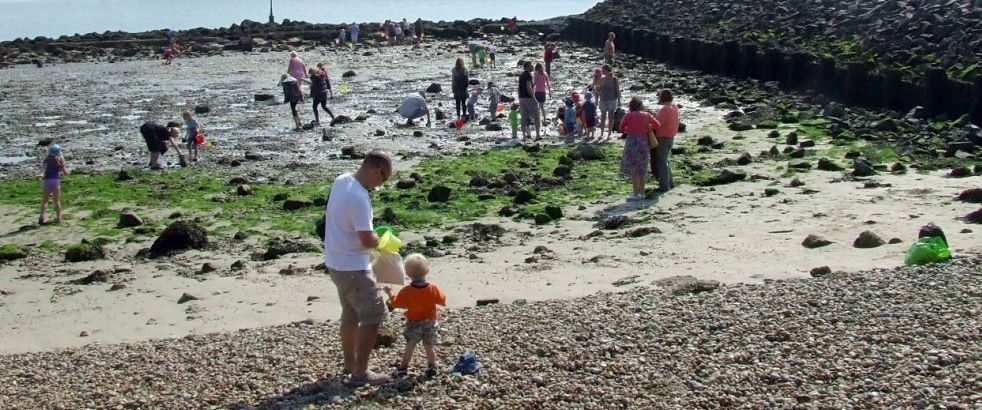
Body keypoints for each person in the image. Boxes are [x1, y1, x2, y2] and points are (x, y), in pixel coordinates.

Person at [324, 150, 394, 387]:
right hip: (353, 265)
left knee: (350, 312)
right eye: (382, 179)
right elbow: (366, 239)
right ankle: (360, 372)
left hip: (335, 261)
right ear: (376, 171)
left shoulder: (342, 180)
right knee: (374, 315)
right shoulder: (359, 198)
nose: (380, 184)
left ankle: (349, 363)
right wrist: (381, 240)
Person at [383, 253, 447, 378]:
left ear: (407, 274)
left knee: (410, 345)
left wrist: (390, 293)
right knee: (429, 346)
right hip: (430, 322)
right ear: (427, 271)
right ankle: (432, 366)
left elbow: (396, 303)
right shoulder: (433, 288)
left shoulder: (407, 291)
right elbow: (442, 301)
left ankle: (403, 368)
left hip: (414, 323)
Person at [619, 97, 660, 202]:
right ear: (640, 105)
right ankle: (642, 192)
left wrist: (628, 129)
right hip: (643, 142)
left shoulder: (628, 115)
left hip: (632, 142)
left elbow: (621, 128)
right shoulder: (646, 115)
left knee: (634, 168)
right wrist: (647, 127)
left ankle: (635, 193)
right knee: (643, 168)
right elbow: (657, 125)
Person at [650, 89, 679, 193]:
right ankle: (670, 183)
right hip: (671, 136)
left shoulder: (665, 109)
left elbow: (657, 124)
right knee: (665, 160)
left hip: (663, 137)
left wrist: (651, 118)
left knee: (661, 161)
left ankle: (664, 186)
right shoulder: (674, 107)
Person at [38, 144, 69, 225]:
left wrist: (41, 175)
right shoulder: (59, 160)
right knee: (57, 201)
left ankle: (41, 217)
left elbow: (43, 171)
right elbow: (66, 173)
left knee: (45, 200)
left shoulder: (46, 160)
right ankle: (58, 217)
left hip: (47, 181)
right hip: (56, 181)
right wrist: (67, 171)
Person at [596, 64, 621, 139]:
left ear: (607, 70)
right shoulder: (601, 79)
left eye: (603, 70)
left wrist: (619, 100)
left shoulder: (614, 79)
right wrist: (596, 99)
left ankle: (609, 134)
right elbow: (598, 90)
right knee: (602, 116)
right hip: (603, 99)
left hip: (612, 99)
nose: (602, 71)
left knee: (610, 117)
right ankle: (601, 133)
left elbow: (617, 89)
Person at [517, 61, 540, 139]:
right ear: (527, 67)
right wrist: (534, 98)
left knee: (524, 117)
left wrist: (519, 97)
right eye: (531, 66)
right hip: (529, 98)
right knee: (536, 117)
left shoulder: (522, 75)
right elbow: (529, 87)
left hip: (521, 98)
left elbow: (519, 87)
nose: (532, 67)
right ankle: (537, 135)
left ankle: (525, 135)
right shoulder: (528, 75)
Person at [533, 63, 551, 128]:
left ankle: (538, 120)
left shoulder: (536, 73)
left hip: (537, 92)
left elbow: (534, 83)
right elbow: (548, 84)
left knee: (536, 107)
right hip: (543, 92)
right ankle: (545, 120)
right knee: (542, 107)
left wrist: (531, 90)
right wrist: (549, 92)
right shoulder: (545, 74)